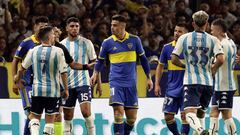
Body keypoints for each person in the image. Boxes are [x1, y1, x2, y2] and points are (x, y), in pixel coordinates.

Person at [90, 14, 153, 135]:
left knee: (131, 119)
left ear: (123, 26)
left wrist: (149, 78)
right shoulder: (107, 42)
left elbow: (144, 60)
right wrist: (94, 74)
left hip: (131, 84)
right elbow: (100, 61)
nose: (112, 28)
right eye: (111, 25)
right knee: (118, 113)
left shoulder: (134, 40)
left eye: (115, 25)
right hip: (116, 82)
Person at [171, 10, 225, 135]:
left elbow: (173, 58)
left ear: (193, 23)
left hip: (191, 81)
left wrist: (185, 65)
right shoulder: (213, 39)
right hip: (208, 82)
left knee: (190, 113)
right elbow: (221, 58)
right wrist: (213, 69)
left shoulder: (184, 38)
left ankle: (201, 131)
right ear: (206, 23)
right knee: (201, 112)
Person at [13, 26, 69, 135]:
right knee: (50, 120)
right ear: (48, 37)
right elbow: (63, 72)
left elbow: (22, 69)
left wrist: (17, 78)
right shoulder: (58, 51)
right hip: (52, 91)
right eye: (53, 34)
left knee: (34, 117)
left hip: (37, 90)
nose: (54, 36)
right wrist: (66, 89)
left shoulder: (33, 50)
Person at [52, 27, 101, 135]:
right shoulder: (52, 47)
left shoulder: (63, 47)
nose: (55, 36)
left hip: (78, 83)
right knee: (61, 116)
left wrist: (97, 80)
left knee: (85, 112)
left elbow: (73, 64)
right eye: (53, 34)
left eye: (57, 34)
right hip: (59, 85)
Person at [12, 16, 49, 135]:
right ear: (35, 27)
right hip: (26, 84)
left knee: (36, 115)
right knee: (31, 113)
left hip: (41, 84)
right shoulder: (27, 42)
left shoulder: (48, 43)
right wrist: (15, 81)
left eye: (45, 27)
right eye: (40, 26)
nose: (43, 29)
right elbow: (15, 61)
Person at [154, 23, 189, 135]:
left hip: (187, 88)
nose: (176, 33)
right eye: (175, 31)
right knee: (168, 117)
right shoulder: (167, 48)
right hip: (172, 88)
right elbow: (160, 66)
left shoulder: (190, 49)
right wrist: (157, 84)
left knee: (185, 116)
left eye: (180, 31)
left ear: (186, 34)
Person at [209, 19, 237, 135]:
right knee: (214, 112)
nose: (211, 33)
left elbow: (219, 61)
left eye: (212, 30)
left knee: (226, 114)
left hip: (224, 85)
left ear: (219, 31)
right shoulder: (231, 43)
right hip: (221, 85)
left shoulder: (223, 44)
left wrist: (211, 68)